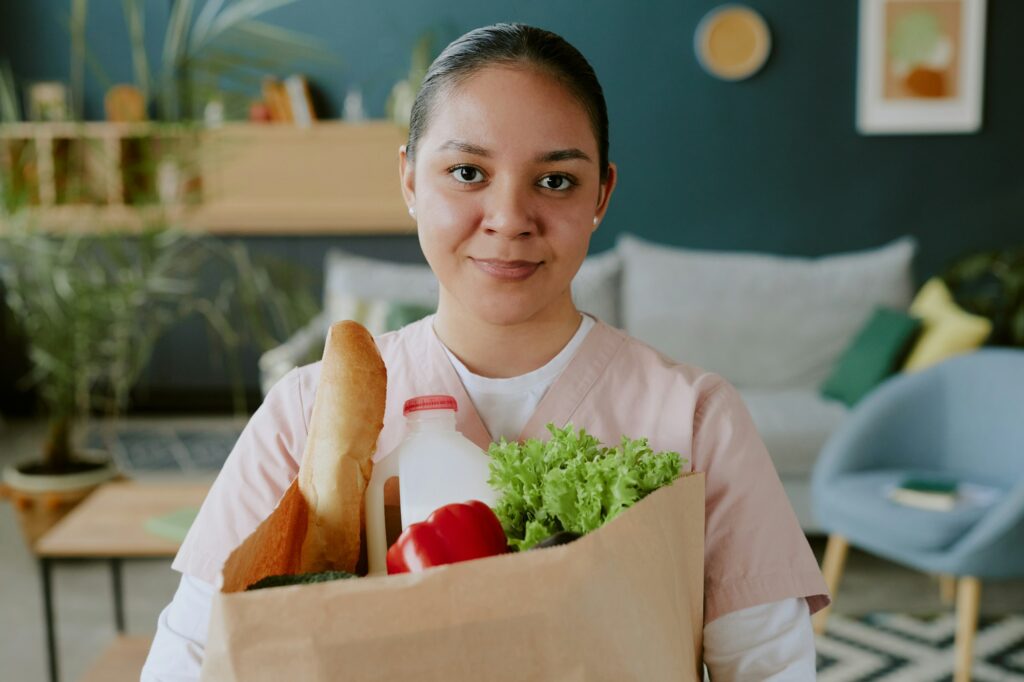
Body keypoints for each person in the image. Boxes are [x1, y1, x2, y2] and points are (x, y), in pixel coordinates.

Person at [142, 23, 828, 681]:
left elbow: (769, 669)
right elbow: (193, 659)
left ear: (602, 195)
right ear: (409, 180)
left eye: (555, 180)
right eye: (468, 172)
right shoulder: (307, 413)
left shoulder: (696, 419)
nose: (508, 218)